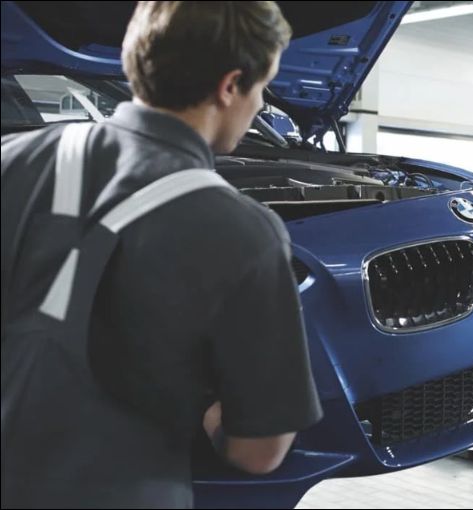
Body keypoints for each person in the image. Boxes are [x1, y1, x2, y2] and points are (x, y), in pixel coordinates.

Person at [1, 2, 322, 507]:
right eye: (263, 88)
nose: (260, 106)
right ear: (231, 85)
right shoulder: (246, 234)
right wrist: (215, 416)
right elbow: (259, 451)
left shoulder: (12, 160)